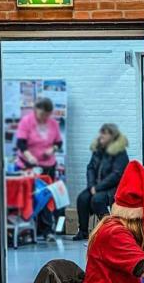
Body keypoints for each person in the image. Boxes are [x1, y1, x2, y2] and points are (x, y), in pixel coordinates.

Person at [15, 97, 63, 241]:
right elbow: (21, 143)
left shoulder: (53, 123)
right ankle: (29, 231)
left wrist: (52, 149)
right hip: (29, 165)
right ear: (36, 110)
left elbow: (59, 143)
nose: (44, 118)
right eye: (42, 115)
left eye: (47, 115)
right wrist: (29, 156)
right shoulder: (27, 122)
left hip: (48, 166)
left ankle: (47, 230)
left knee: (47, 197)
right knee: (31, 197)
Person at [73, 124, 129, 241]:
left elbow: (116, 175)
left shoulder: (120, 152)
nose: (101, 135)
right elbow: (90, 168)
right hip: (96, 186)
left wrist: (97, 187)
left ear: (112, 136)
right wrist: (91, 185)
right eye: (101, 132)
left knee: (97, 200)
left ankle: (111, 229)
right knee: (82, 198)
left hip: (113, 188)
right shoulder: (98, 150)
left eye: (104, 133)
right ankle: (83, 231)